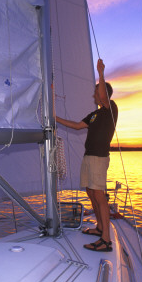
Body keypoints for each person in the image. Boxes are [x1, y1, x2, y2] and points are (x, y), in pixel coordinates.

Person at [56, 59, 118, 252]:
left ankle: (106, 241)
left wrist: (100, 72)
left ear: (104, 95)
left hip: (99, 158)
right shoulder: (94, 115)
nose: (94, 94)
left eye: (97, 92)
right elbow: (76, 125)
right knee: (91, 192)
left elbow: (103, 93)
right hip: (89, 156)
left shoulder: (111, 109)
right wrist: (53, 117)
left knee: (100, 196)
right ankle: (100, 228)